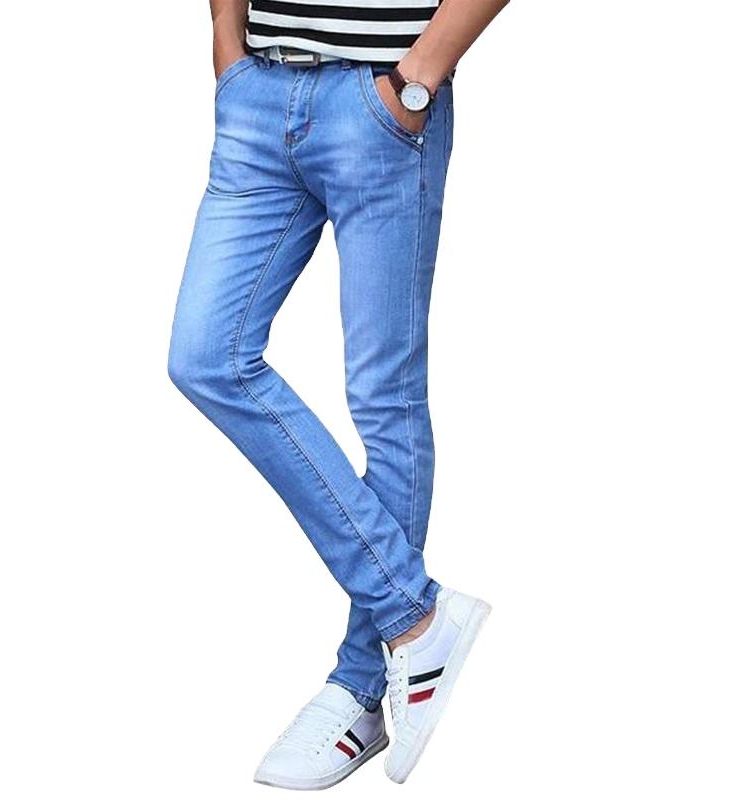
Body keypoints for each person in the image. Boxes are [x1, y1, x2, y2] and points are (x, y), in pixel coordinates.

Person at [168, 0, 509, 788]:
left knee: (384, 397)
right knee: (205, 357)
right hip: (258, 95)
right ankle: (415, 616)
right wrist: (226, 46)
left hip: (382, 100)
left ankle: (361, 688)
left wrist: (418, 78)